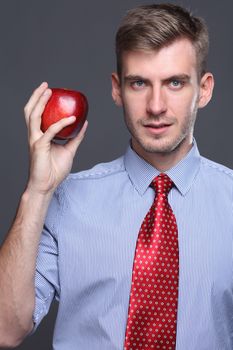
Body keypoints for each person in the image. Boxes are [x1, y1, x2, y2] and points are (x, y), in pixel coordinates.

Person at [0, 3, 232, 349]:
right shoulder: (65, 200)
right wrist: (38, 191)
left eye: (174, 83)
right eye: (139, 83)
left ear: (205, 89)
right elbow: (5, 330)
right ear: (116, 89)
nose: (156, 106)